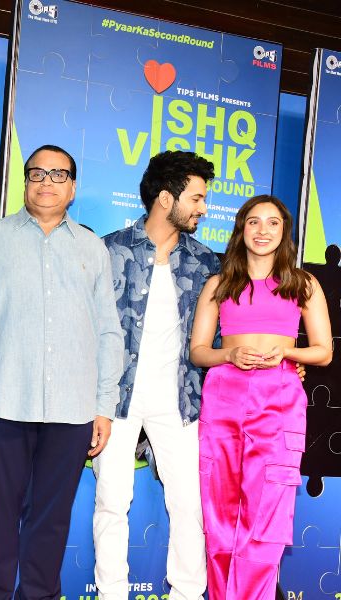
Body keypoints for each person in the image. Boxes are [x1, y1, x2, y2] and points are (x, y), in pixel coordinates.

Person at [0, 145, 123, 599]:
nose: (47, 182)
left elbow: (108, 331)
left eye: (59, 175)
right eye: (37, 173)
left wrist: (104, 405)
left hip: (72, 410)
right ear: (25, 182)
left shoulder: (93, 249)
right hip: (0, 401)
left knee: (51, 523)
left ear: (73, 188)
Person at [190, 195, 332, 600]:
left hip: (280, 400)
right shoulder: (218, 285)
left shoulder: (303, 284)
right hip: (223, 398)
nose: (263, 230)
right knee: (219, 513)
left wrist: (287, 352)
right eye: (254, 221)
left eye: (273, 222)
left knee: (267, 514)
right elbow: (198, 351)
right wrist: (229, 355)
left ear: (285, 232)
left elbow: (324, 351)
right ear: (242, 229)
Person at [94, 150, 219, 599]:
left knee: (189, 504)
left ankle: (186, 593)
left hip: (181, 401)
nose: (204, 208)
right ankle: (111, 594)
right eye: (197, 198)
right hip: (116, 399)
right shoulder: (108, 251)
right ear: (167, 198)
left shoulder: (208, 263)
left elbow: (225, 335)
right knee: (112, 501)